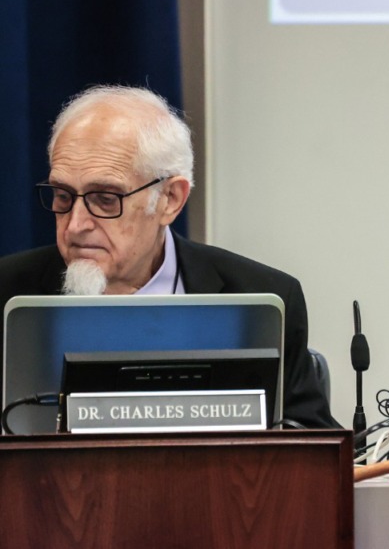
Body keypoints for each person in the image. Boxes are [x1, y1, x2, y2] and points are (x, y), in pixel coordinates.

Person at [0, 85, 338, 429]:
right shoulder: (7, 293)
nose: (75, 225)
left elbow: (312, 450)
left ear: (170, 199)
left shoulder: (264, 298)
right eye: (62, 196)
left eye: (104, 199)